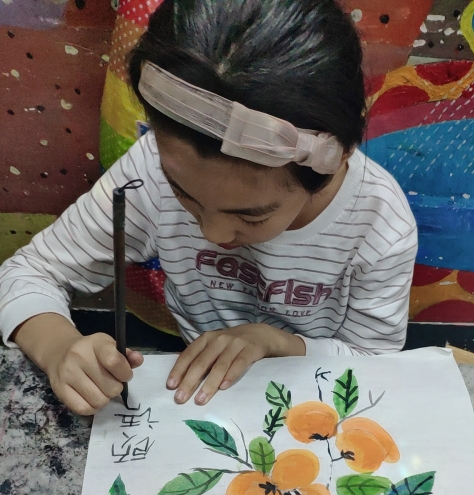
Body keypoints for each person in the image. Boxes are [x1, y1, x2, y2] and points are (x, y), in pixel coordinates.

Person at [0, 0, 417, 416]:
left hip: (311, 403)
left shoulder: (378, 222)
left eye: (251, 215)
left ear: (339, 157)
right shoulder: (149, 170)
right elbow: (28, 272)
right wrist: (59, 347)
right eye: (182, 193)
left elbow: (376, 362)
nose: (212, 235)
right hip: (191, 397)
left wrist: (275, 343)